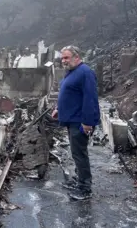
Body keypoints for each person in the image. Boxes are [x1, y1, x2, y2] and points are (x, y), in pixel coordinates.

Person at [52, 45, 100, 200]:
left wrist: (87, 122)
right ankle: (80, 179)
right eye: (62, 58)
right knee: (75, 152)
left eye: (66, 57)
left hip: (79, 121)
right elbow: (70, 94)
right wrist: (58, 108)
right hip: (71, 118)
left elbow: (90, 99)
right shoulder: (72, 72)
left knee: (79, 154)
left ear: (77, 57)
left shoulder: (85, 73)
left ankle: (85, 188)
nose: (63, 61)